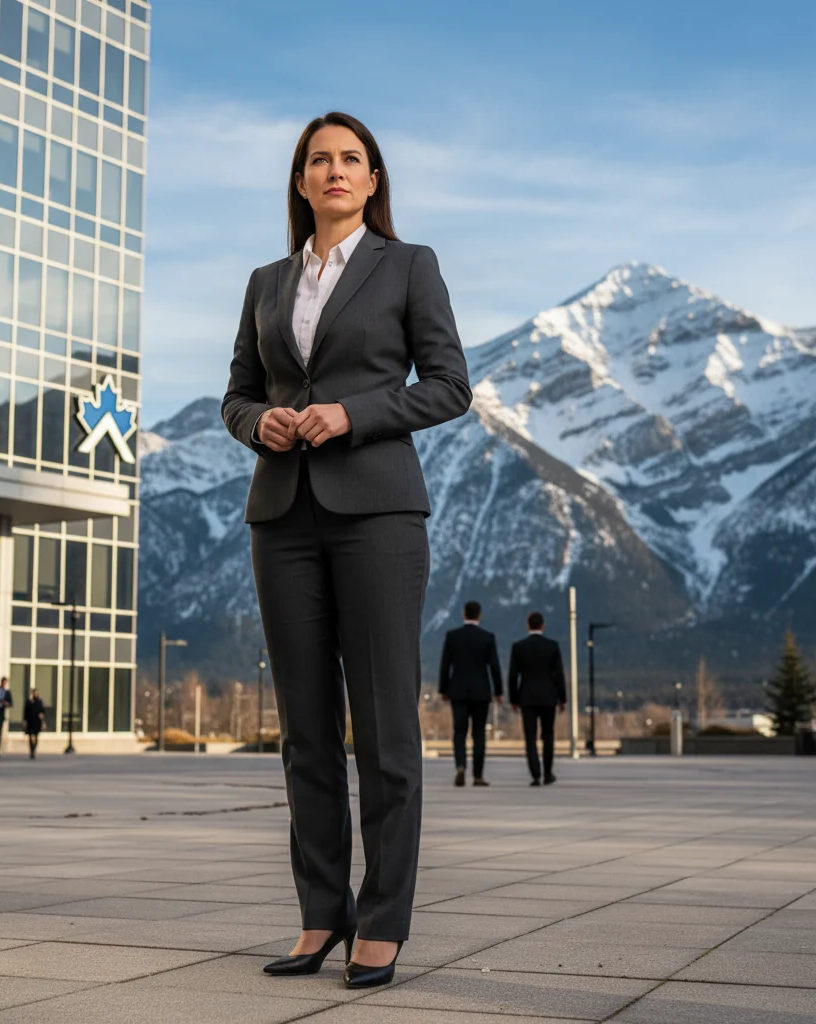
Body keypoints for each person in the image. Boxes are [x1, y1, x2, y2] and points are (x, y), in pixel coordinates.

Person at [222, 111, 471, 988]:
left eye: (351, 158)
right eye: (318, 159)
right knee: (306, 734)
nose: (334, 169)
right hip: (282, 515)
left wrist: (351, 414)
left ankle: (383, 920)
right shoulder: (266, 282)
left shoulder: (408, 265)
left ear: (372, 180)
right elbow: (236, 394)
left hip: (377, 515)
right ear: (300, 181)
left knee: (385, 728)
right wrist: (261, 422)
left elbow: (450, 387)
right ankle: (321, 913)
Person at [439, 601, 503, 787]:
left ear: (463, 614)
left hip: (458, 691)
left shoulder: (453, 636)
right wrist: (498, 691)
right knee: (479, 733)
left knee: (459, 731)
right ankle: (478, 775)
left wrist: (444, 689)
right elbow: (494, 667)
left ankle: (460, 766)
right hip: (481, 692)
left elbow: (445, 665)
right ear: (479, 615)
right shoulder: (487, 637)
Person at [508, 611, 567, 786]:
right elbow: (559, 675)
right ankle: (548, 773)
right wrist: (562, 698)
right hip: (548, 697)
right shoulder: (552, 646)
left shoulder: (518, 647)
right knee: (548, 735)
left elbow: (513, 676)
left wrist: (513, 699)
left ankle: (535, 774)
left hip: (527, 697)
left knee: (530, 737)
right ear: (543, 625)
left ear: (528, 625)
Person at [23, 688, 45, 759]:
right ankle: (31, 750)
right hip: (30, 721)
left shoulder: (40, 702)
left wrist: (43, 722)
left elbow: (42, 712)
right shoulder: (28, 702)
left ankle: (34, 750)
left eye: (36, 693)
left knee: (36, 736)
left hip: (37, 721)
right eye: (34, 693)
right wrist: (25, 722)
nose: (35, 694)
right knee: (30, 736)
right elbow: (25, 712)